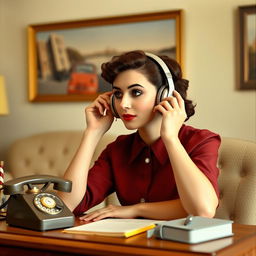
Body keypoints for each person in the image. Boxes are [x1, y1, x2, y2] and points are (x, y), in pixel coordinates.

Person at [59, 50, 220, 222]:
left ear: (165, 95)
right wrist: (92, 132)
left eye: (136, 92)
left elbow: (202, 210)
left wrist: (171, 139)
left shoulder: (201, 141)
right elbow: (66, 206)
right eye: (118, 94)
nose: (123, 104)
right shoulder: (118, 150)